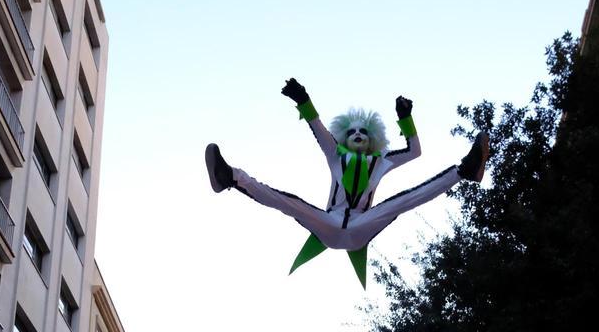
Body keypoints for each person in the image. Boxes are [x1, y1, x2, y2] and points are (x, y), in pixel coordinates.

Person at [204, 79, 491, 288]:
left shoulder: (382, 161)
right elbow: (316, 126)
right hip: (329, 225)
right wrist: (303, 99)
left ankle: (465, 171)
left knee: (402, 201)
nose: (357, 133)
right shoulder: (335, 154)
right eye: (351, 130)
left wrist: (406, 119)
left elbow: (415, 152)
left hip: (360, 229)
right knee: (290, 203)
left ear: (373, 138)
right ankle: (230, 176)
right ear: (343, 136)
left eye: (363, 131)